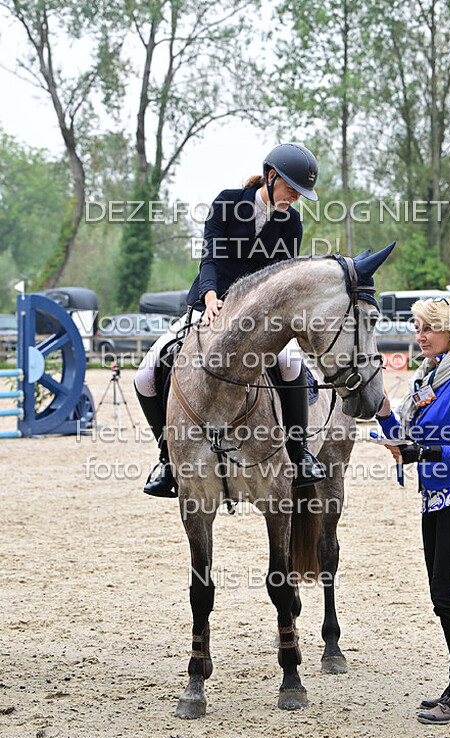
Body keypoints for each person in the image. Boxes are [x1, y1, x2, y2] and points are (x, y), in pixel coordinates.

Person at [134, 142, 326, 497]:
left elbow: (281, 278)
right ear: (271, 177)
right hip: (211, 304)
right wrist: (210, 297)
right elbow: (210, 257)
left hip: (261, 320)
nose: (296, 198)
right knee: (146, 374)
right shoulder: (227, 203)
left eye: (301, 193)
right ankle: (166, 458)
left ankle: (298, 452)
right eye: (292, 189)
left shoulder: (291, 222)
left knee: (291, 366)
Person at [376, 297, 450, 724]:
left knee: (447, 594)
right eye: (417, 327)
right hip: (435, 495)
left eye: (428, 327)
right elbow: (406, 437)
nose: (420, 336)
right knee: (442, 596)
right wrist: (384, 412)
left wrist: (425, 453)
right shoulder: (427, 379)